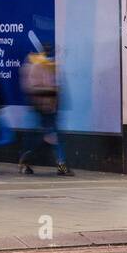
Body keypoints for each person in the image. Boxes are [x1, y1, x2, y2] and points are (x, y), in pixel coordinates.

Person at [19, 42, 73, 176]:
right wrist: (52, 90)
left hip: (51, 109)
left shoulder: (53, 66)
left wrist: (57, 102)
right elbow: (31, 88)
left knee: (57, 136)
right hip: (39, 109)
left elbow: (58, 87)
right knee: (38, 139)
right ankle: (25, 161)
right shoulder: (36, 66)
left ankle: (61, 164)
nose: (51, 54)